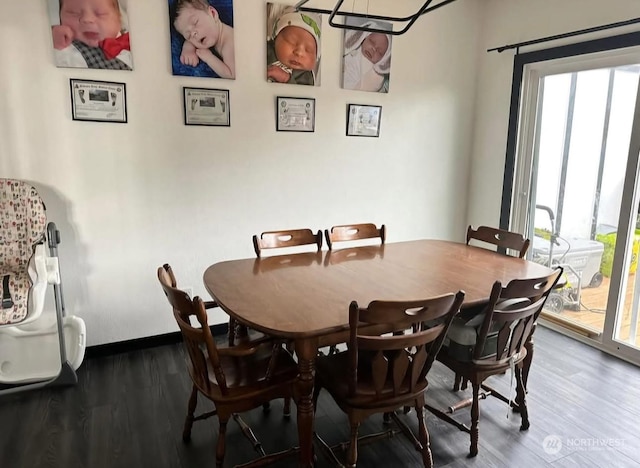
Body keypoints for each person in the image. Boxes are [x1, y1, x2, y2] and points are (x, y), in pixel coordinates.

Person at [51, 0, 132, 70]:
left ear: (119, 21)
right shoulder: (64, 49)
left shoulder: (135, 46)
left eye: (101, 13)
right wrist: (49, 39)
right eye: (74, 13)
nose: (87, 19)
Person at [172, 0, 235, 79]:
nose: (193, 34)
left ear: (213, 14)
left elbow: (231, 74)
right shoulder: (214, 35)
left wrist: (209, 58)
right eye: (188, 35)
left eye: (195, 22)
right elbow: (190, 41)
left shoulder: (230, 43)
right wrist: (188, 49)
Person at [267, 9, 321, 86]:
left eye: (309, 50)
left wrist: (286, 79)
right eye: (291, 41)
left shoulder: (306, 77)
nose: (299, 52)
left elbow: (302, 96)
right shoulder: (267, 50)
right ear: (275, 39)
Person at [342, 22, 392, 93]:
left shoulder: (373, 71)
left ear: (383, 60)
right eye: (372, 42)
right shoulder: (354, 47)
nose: (373, 49)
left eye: (379, 52)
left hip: (350, 91)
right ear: (364, 38)